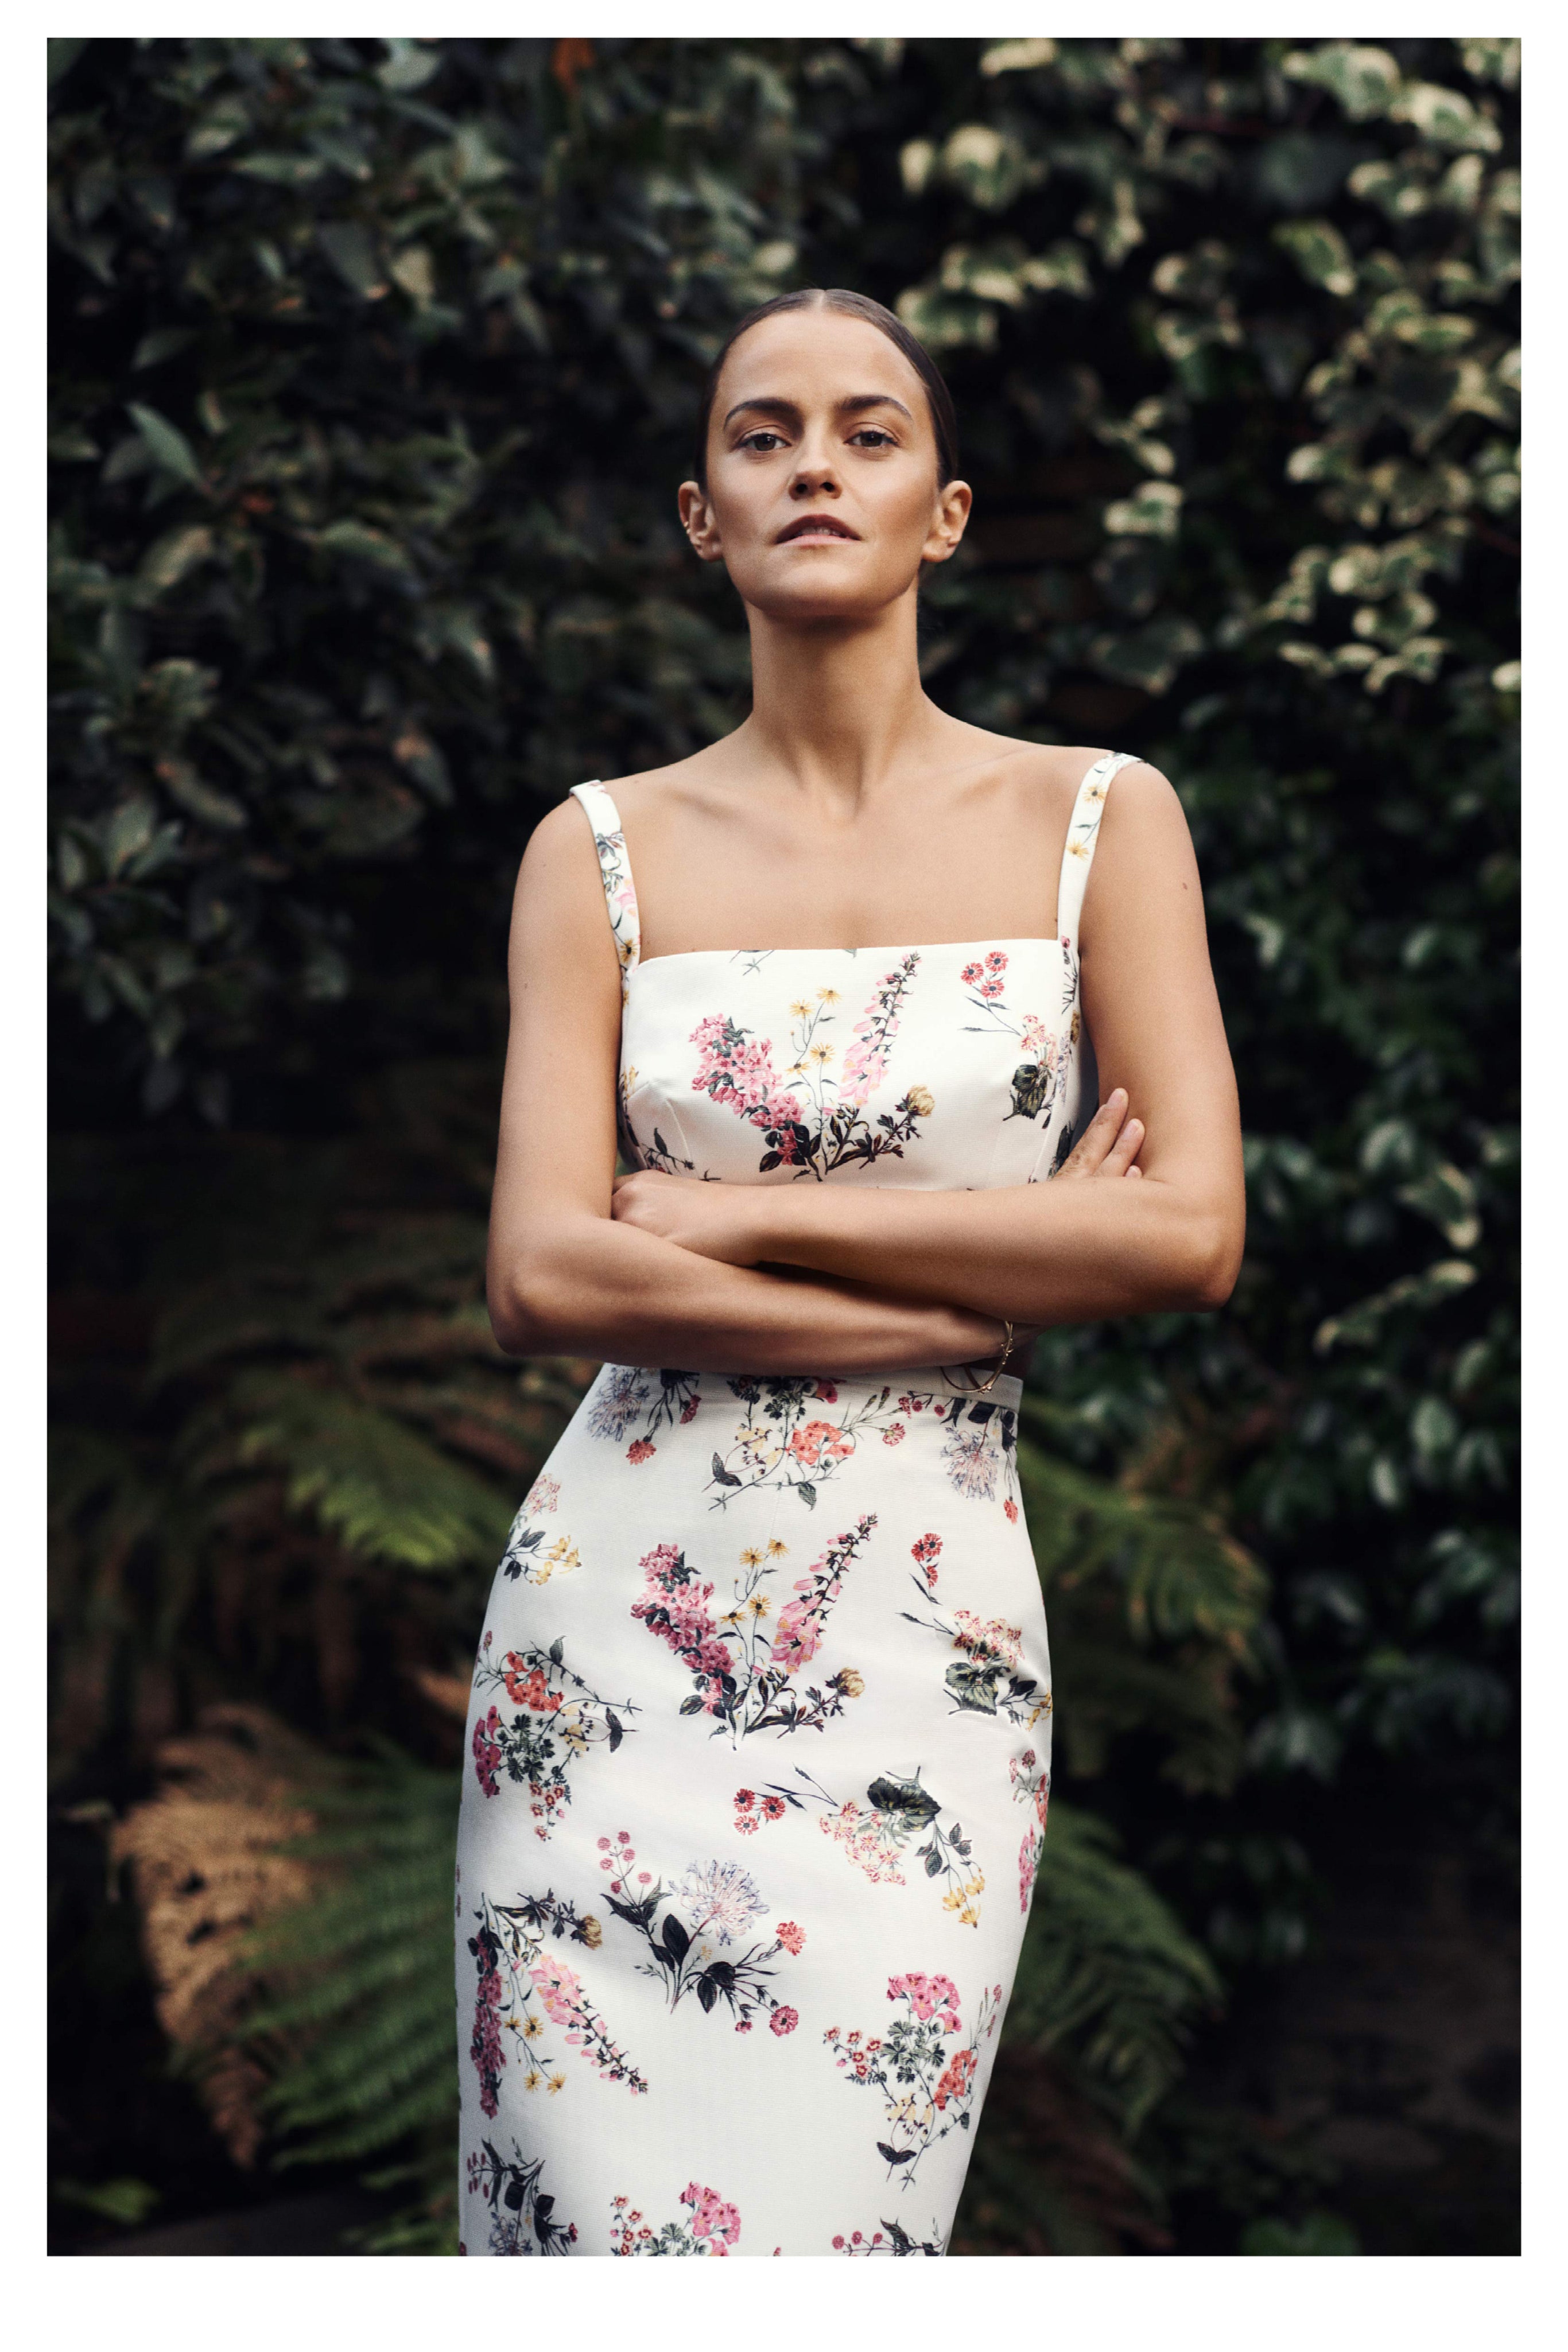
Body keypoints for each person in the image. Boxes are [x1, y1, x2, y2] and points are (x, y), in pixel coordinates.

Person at [456, 287, 1244, 2258]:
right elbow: (542, 1273)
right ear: (700, 515)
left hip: (921, 1651)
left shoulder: (1096, 821)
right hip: (606, 1654)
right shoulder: (594, 849)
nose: (815, 464)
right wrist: (968, 1300)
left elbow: (1184, 1231)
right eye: (763, 432)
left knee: (840, 2241)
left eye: (868, 431)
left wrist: (736, 1216)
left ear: (946, 511)